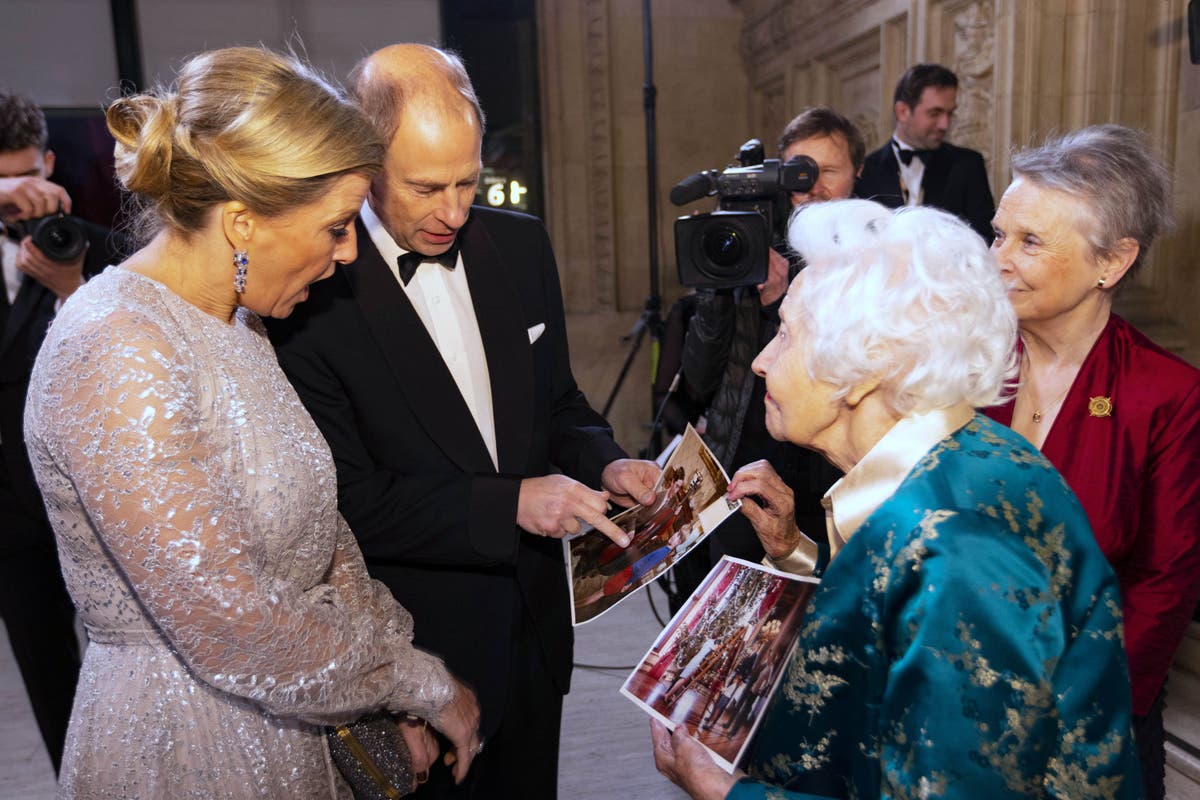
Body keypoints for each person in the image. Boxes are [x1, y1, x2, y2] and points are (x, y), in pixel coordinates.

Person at [22, 47, 483, 799]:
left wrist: (383, 690)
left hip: (295, 722)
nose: (348, 252)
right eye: (336, 225)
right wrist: (418, 683)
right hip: (184, 743)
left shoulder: (238, 322)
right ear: (241, 223)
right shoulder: (114, 346)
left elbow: (320, 531)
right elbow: (230, 619)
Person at [266, 43, 659, 799]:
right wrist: (510, 504)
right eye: (425, 187)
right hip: (419, 650)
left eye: (468, 181)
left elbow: (559, 406)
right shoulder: (311, 291)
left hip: (535, 631)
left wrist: (605, 461)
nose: (453, 212)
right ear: (365, 162)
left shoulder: (521, 243)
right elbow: (345, 505)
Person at [650, 199, 1142, 799]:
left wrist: (727, 792)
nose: (760, 362)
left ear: (863, 369)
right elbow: (889, 624)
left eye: (785, 335)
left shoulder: (957, 549)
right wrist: (794, 552)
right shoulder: (957, 458)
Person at [985, 124, 1200, 800]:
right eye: (998, 234)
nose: (997, 259)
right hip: (957, 700)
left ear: (1112, 261)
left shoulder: (1165, 395)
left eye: (1030, 242)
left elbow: (1163, 587)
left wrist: (1070, 711)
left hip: (1088, 720)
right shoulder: (964, 364)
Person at [678, 108, 859, 582]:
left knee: (822, 595)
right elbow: (698, 378)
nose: (813, 188)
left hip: (825, 475)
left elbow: (850, 375)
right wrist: (716, 287)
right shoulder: (748, 242)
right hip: (740, 468)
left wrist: (781, 299)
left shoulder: (875, 259)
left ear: (857, 172)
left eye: (828, 171)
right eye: (800, 174)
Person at [0, 89, 124, 773]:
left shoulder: (99, 249)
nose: (19, 198)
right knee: (51, 684)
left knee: (132, 674)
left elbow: (142, 366)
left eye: (26, 176)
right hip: (11, 515)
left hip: (106, 500)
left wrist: (73, 288)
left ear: (48, 164)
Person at [855, 63, 994, 242]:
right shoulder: (865, 171)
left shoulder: (968, 165)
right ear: (902, 112)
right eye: (935, 113)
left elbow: (984, 239)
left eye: (950, 114)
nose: (945, 124)